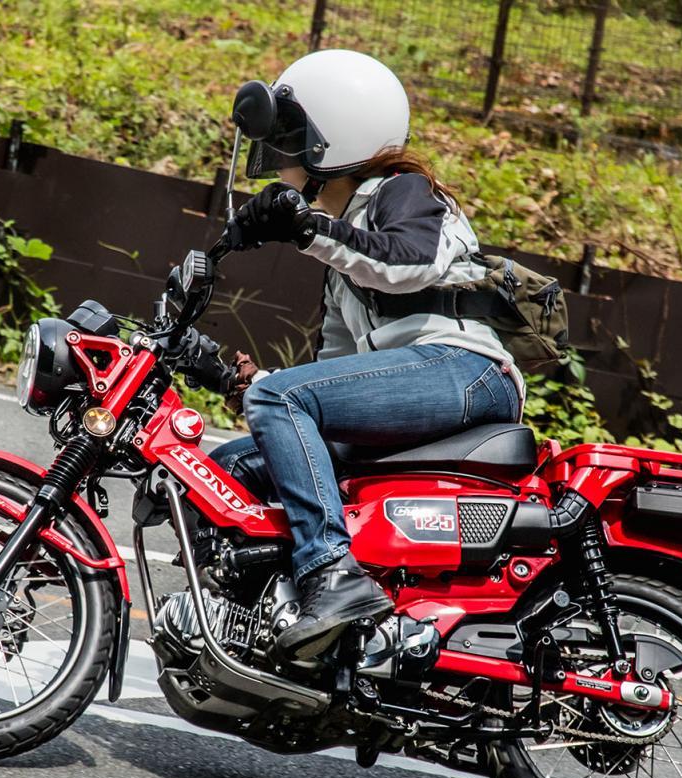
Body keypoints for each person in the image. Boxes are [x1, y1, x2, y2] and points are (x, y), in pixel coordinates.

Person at [211, 49, 525, 660]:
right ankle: (255, 627)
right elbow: (327, 377)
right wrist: (248, 380)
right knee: (232, 467)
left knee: (278, 399)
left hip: (466, 371)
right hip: (419, 384)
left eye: (290, 139)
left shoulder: (403, 191)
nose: (279, 157)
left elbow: (408, 263)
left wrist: (308, 229)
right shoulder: (342, 253)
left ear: (338, 137)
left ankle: (331, 574)